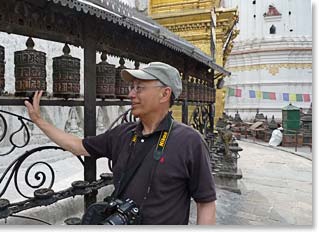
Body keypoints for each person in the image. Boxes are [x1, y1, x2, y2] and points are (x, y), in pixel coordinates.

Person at [25, 62, 216, 225]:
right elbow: (78, 145)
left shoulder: (189, 141)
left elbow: (205, 202)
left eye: (139, 88)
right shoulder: (123, 134)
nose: (131, 94)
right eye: (131, 87)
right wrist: (39, 121)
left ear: (165, 94)